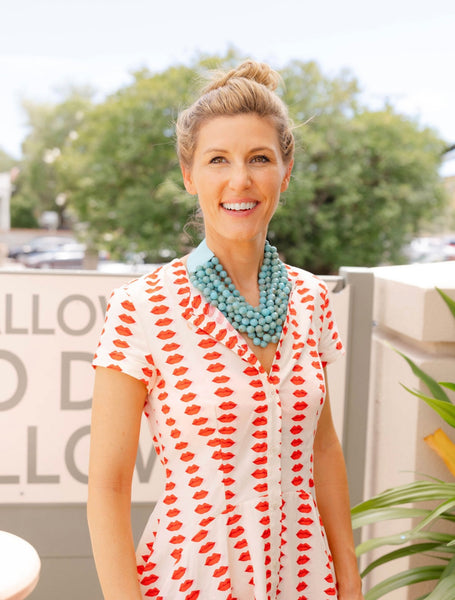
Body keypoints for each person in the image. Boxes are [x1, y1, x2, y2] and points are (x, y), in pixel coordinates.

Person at [87, 59, 364, 600]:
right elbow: (108, 488)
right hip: (195, 577)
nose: (240, 180)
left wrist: (349, 581)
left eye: (259, 158)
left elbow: (323, 449)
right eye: (218, 160)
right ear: (190, 175)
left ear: (285, 172)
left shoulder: (311, 299)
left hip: (305, 581)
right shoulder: (143, 308)